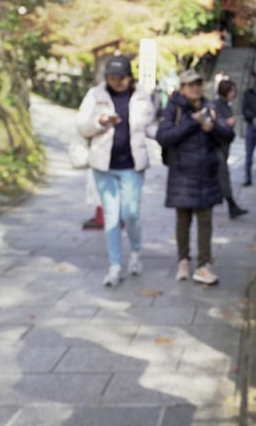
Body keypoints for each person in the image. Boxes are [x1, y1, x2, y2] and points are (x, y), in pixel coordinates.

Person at [76, 55, 156, 287]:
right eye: (111, 78)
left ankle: (136, 253)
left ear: (129, 78)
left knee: (130, 213)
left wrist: (168, 135)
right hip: (104, 165)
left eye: (120, 78)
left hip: (132, 165)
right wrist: (100, 121)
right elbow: (82, 125)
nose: (115, 83)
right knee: (111, 217)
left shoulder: (141, 96)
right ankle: (115, 264)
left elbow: (150, 125)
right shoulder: (95, 95)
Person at [155, 69, 234, 285]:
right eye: (190, 85)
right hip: (182, 173)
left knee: (206, 221)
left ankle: (204, 264)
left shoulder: (210, 106)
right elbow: (163, 136)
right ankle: (183, 260)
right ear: (182, 88)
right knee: (183, 220)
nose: (195, 88)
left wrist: (212, 127)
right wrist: (192, 122)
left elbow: (229, 135)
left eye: (198, 84)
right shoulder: (174, 108)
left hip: (207, 173)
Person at [212, 79, 248, 219]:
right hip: (217, 147)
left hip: (224, 146)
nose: (234, 94)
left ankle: (222, 201)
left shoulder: (226, 105)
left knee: (219, 176)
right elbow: (213, 123)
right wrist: (227, 123)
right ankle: (231, 205)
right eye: (232, 91)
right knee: (223, 175)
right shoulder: (215, 105)